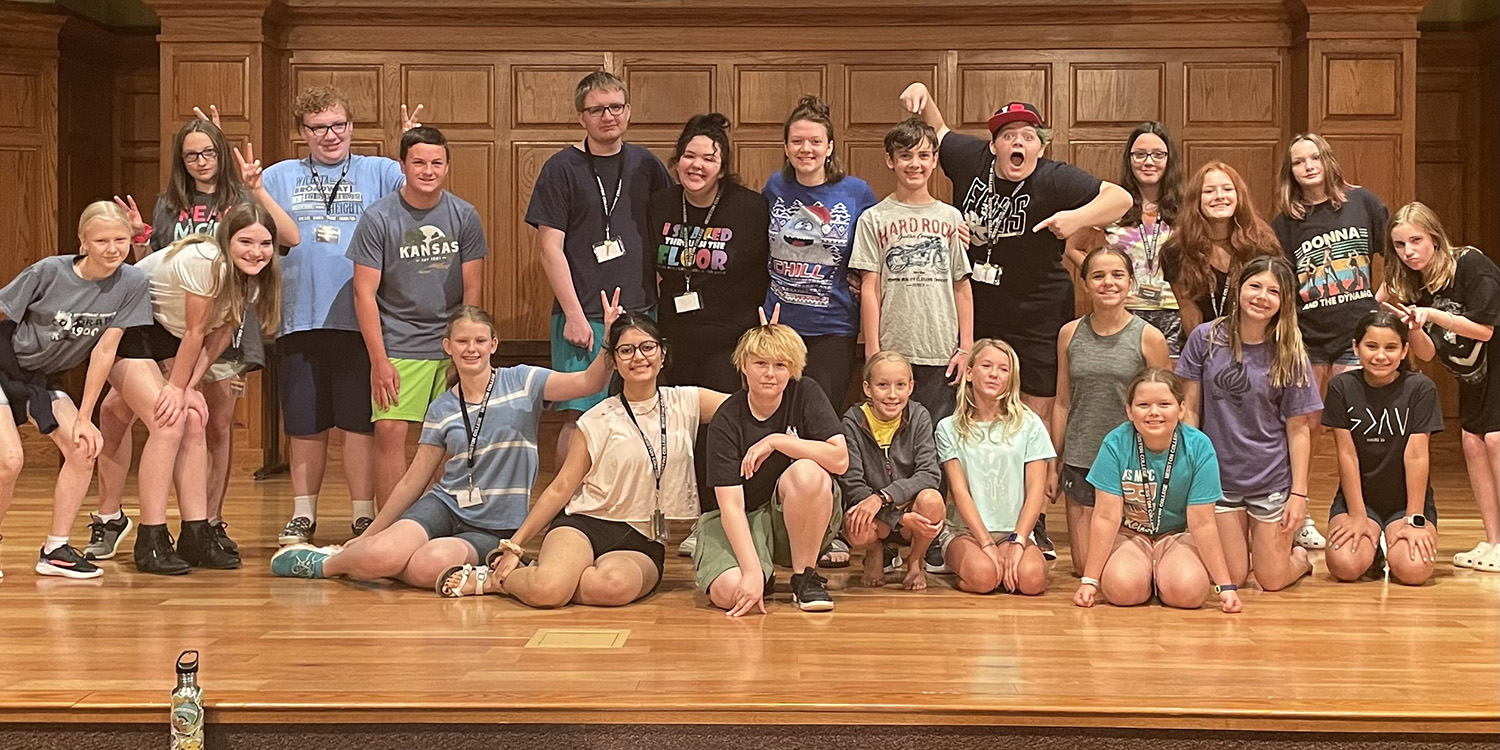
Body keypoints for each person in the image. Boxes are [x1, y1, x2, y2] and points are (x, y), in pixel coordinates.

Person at [270, 296, 623, 588]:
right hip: (444, 506)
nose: (472, 349)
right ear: (448, 347)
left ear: (493, 345)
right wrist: (372, 534)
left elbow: (588, 383)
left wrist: (608, 340)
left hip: (495, 524)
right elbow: (414, 479)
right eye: (463, 342)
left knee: (427, 566)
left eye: (480, 341)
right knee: (380, 553)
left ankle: (368, 564)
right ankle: (326, 561)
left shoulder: (523, 381)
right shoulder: (442, 407)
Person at [89, 128, 290, 560]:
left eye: (264, 244)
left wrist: (191, 384)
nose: (257, 252)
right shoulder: (208, 263)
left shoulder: (253, 278)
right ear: (226, 240)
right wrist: (178, 390)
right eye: (246, 242)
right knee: (170, 418)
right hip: (134, 325)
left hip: (172, 333)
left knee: (196, 418)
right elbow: (195, 331)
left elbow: (218, 335)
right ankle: (151, 537)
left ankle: (196, 532)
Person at [436, 315, 729, 602]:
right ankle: (500, 580)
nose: (638, 357)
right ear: (613, 361)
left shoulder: (687, 402)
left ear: (662, 354)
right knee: (547, 592)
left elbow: (748, 407)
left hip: (641, 537)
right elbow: (561, 487)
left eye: (647, 347)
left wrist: (764, 348)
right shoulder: (597, 418)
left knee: (609, 587)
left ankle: (552, 575)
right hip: (584, 524)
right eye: (626, 350)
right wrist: (514, 545)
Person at [898, 83, 1132, 424]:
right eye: (1008, 136)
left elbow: (1120, 199)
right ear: (994, 146)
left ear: (1040, 148)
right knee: (977, 399)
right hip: (981, 307)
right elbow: (939, 130)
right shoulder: (970, 159)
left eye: (1028, 136)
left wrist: (1075, 219)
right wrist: (923, 93)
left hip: (1038, 311)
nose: (1018, 142)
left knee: (1036, 406)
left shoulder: (1055, 178)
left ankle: (1038, 473)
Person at [260, 86, 424, 545]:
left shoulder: (380, 170)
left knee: (359, 422)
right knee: (305, 423)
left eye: (337, 125)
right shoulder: (277, 177)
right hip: (299, 314)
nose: (329, 135)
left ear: (352, 127)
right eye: (317, 128)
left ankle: (362, 515)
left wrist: (410, 145)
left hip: (363, 318)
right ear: (302, 133)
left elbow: (419, 194)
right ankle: (302, 515)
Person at [0, 202, 152, 580]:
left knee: (85, 445)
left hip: (42, 378)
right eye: (101, 240)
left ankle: (56, 549)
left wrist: (84, 417)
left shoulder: (132, 283)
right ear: (83, 242)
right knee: (9, 461)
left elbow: (104, 350)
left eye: (120, 239)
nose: (112, 248)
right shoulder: (50, 271)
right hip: (3, 365)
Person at [528, 71, 671, 468]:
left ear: (627, 111)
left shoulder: (647, 165)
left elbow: (667, 235)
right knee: (581, 415)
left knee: (637, 411)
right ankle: (569, 507)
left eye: (615, 107)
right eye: (596, 110)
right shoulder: (561, 168)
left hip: (641, 312)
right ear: (581, 117)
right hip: (583, 315)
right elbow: (549, 249)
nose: (607, 116)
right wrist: (573, 314)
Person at [349, 126, 488, 511]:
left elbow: (472, 290)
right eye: (419, 162)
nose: (428, 170)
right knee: (390, 430)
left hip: (449, 344)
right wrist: (378, 359)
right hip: (398, 342)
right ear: (403, 165)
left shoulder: (464, 215)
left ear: (447, 166)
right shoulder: (378, 217)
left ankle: (441, 518)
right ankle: (390, 524)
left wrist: (468, 349)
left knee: (454, 435)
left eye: (436, 163)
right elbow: (363, 292)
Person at [1273, 135, 1389, 546]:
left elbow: (1395, 249)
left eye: (1314, 157)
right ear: (1291, 172)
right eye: (1298, 161)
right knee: (1303, 427)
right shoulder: (1286, 222)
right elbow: (1281, 283)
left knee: (1355, 430)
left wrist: (1385, 295)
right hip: (1309, 339)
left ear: (1327, 160)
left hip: (1356, 337)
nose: (1307, 166)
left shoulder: (1362, 202)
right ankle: (1297, 512)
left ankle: (1365, 514)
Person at [1178, 256, 1319, 592]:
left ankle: (1297, 557)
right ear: (1239, 288)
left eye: (1273, 291)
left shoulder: (1290, 352)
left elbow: (1299, 429)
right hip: (1220, 477)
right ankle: (1255, 549)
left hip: (1269, 478)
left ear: (1284, 301)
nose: (1261, 296)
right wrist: (1192, 470)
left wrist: (1299, 495)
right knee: (1234, 577)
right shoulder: (1205, 338)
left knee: (1271, 580)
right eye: (1255, 286)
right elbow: (1191, 410)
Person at [696, 315, 850, 615]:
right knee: (731, 593)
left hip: (794, 513)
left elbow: (839, 459)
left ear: (792, 369)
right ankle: (760, 572)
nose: (770, 373)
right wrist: (751, 571)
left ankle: (805, 576)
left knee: (808, 472)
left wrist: (778, 441)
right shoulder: (727, 419)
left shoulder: (806, 393)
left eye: (780, 365)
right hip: (745, 516)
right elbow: (730, 506)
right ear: (743, 366)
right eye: (760, 364)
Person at [1380, 202, 1499, 572]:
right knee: (1473, 444)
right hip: (1472, 374)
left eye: (1416, 240)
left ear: (1435, 236)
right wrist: (1415, 327)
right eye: (1399, 245)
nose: (1409, 252)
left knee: (1495, 441)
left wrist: (1432, 314)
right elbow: (1428, 354)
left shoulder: (1470, 265)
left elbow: (1483, 329)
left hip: (1496, 361)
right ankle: (1494, 540)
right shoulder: (1413, 281)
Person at [1073, 368, 1242, 613]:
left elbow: (1202, 522)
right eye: (1143, 404)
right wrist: (1090, 581)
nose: (1154, 412)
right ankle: (1146, 572)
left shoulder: (1199, 446)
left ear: (1181, 409)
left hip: (1176, 536)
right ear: (1129, 411)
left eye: (1164, 404)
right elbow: (1106, 516)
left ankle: (1162, 572)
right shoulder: (1115, 443)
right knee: (1123, 590)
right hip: (1131, 534)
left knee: (1189, 594)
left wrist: (1225, 586)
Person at [1051, 246, 1171, 575]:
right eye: (1098, 276)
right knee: (1084, 567)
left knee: (1122, 569)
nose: (1108, 283)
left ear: (1130, 282)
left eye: (1117, 275)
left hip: (1132, 461)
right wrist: (1054, 462)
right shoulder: (1069, 334)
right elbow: (1063, 401)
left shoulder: (1149, 338)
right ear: (1086, 283)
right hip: (1081, 458)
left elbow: (1164, 408)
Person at [851, 117, 973, 422]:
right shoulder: (873, 218)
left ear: (934, 160)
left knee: (936, 440)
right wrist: (873, 351)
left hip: (941, 351)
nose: (914, 164)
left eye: (923, 155)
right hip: (892, 351)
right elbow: (870, 287)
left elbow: (961, 285)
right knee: (890, 438)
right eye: (905, 155)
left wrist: (966, 348)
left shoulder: (951, 218)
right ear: (890, 161)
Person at [762, 94, 878, 408]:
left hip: (833, 326)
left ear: (829, 147)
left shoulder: (856, 192)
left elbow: (881, 243)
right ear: (786, 147)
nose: (806, 149)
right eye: (797, 141)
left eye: (815, 141)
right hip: (780, 324)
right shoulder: (774, 187)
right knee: (777, 413)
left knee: (822, 415)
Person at [652, 113, 770, 394]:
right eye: (689, 156)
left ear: (722, 167)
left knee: (720, 424)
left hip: (728, 343)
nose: (696, 165)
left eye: (708, 159)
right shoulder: (659, 204)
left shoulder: (749, 208)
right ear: (677, 161)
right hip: (674, 339)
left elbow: (765, 272)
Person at [1323, 312, 1443, 585]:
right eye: (1371, 346)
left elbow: (1416, 456)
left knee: (1414, 571)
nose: (1380, 356)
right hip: (1359, 498)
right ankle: (1373, 550)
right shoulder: (1341, 387)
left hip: (1407, 500)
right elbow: (1347, 454)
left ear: (1404, 350)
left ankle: (1391, 543)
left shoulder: (1420, 388)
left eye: (1391, 347)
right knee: (1345, 566)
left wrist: (1414, 518)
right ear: (1356, 347)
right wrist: (1356, 514)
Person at [936, 339, 1055, 595]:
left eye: (1003, 369)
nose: (994, 374)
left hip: (1014, 530)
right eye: (987, 365)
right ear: (969, 373)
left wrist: (1019, 540)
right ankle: (963, 563)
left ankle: (1004, 559)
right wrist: (986, 543)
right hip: (967, 531)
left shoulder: (1030, 424)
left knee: (1032, 581)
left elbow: (1036, 490)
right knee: (983, 578)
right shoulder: (948, 427)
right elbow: (959, 491)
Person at [1068, 122, 1184, 355]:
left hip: (1175, 313)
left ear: (1169, 160)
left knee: (1165, 388)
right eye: (1140, 155)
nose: (1148, 162)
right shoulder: (1114, 205)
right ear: (1129, 160)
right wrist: (1102, 276)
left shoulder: (1185, 208)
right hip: (1125, 311)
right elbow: (1073, 247)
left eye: (1158, 155)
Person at [839, 351, 944, 590]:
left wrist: (885, 497)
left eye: (900, 385)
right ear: (867, 388)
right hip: (877, 516)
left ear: (911, 387)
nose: (892, 395)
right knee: (856, 524)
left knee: (932, 499)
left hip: (908, 510)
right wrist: (895, 517)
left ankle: (915, 560)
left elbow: (929, 473)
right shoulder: (852, 421)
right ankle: (874, 551)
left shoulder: (919, 416)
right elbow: (852, 483)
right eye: (883, 385)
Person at [1160, 162, 1280, 335]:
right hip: (1201, 343)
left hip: (1254, 341)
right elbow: (1189, 312)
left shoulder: (1263, 245)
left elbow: (1271, 306)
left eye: (1227, 189)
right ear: (1196, 199)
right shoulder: (1176, 250)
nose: (1219, 196)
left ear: (1239, 196)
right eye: (1209, 191)